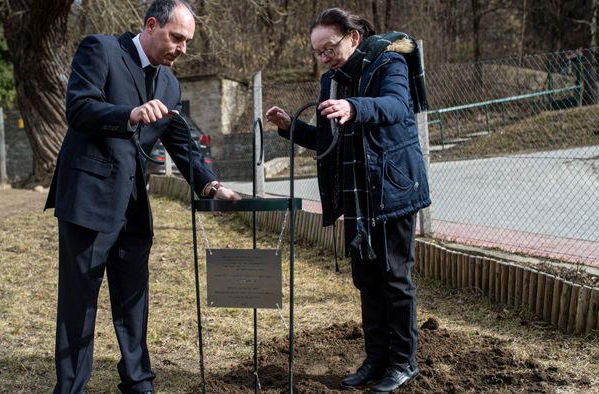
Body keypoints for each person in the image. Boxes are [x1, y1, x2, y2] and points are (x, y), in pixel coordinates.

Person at [44, 1, 240, 392]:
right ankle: (71, 388)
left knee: (134, 300)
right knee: (79, 304)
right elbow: (79, 108)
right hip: (89, 201)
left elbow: (181, 143)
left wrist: (209, 183)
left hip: (133, 207)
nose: (182, 48)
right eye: (177, 37)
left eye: (187, 41)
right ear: (151, 25)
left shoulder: (169, 83)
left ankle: (138, 381)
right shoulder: (100, 49)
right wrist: (129, 114)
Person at [265, 8, 430, 393]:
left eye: (330, 47)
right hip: (356, 193)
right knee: (367, 280)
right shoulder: (331, 82)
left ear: (352, 38)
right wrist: (291, 129)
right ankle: (376, 359)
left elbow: (395, 107)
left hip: (392, 189)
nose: (325, 56)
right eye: (318, 51)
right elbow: (328, 142)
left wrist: (354, 107)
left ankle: (403, 362)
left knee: (395, 279)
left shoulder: (389, 62)